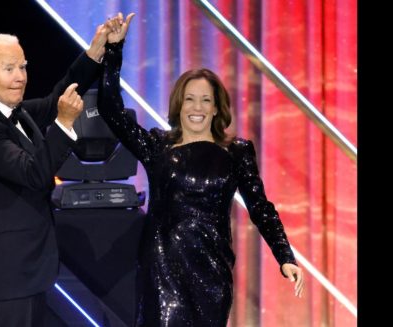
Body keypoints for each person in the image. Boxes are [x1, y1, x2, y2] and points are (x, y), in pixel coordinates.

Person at [98, 14, 305, 326]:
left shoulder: (236, 151)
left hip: (212, 270)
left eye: (205, 100)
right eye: (190, 100)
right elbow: (110, 109)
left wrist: (285, 256)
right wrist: (114, 53)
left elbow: (261, 207)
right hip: (162, 270)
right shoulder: (157, 147)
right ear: (179, 105)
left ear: (216, 107)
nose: (197, 108)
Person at [0, 17, 127, 326]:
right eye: (9, 69)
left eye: (23, 67)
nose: (20, 77)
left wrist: (95, 52)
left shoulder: (6, 111)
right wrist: (63, 124)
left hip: (25, 275)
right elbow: (34, 173)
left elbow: (53, 101)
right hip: (6, 281)